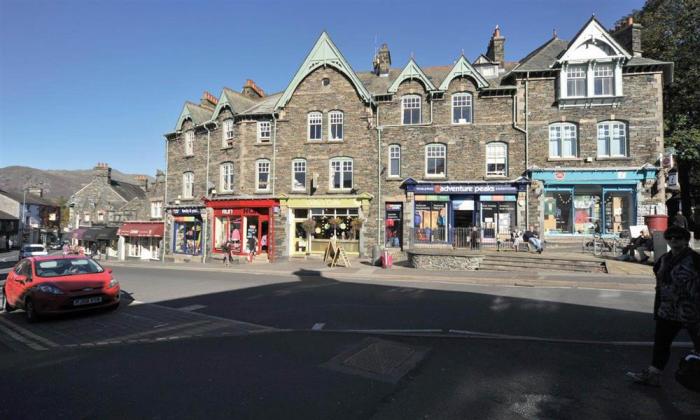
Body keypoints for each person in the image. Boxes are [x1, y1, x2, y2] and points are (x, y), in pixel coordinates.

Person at [626, 226, 700, 387]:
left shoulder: (694, 259)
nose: (673, 240)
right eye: (670, 237)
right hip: (668, 310)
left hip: (691, 309)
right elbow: (659, 283)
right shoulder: (664, 259)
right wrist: (658, 308)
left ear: (686, 240)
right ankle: (653, 375)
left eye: (678, 238)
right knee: (661, 344)